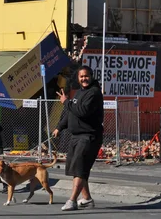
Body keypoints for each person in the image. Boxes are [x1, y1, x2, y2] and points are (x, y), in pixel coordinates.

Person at [53, 65, 104, 211]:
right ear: (78, 78)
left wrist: (66, 102)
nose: (84, 79)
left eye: (86, 76)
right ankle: (87, 199)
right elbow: (71, 113)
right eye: (81, 76)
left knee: (80, 168)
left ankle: (72, 200)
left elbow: (82, 111)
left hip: (89, 136)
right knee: (77, 169)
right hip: (76, 136)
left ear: (92, 76)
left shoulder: (94, 93)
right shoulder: (79, 93)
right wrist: (59, 127)